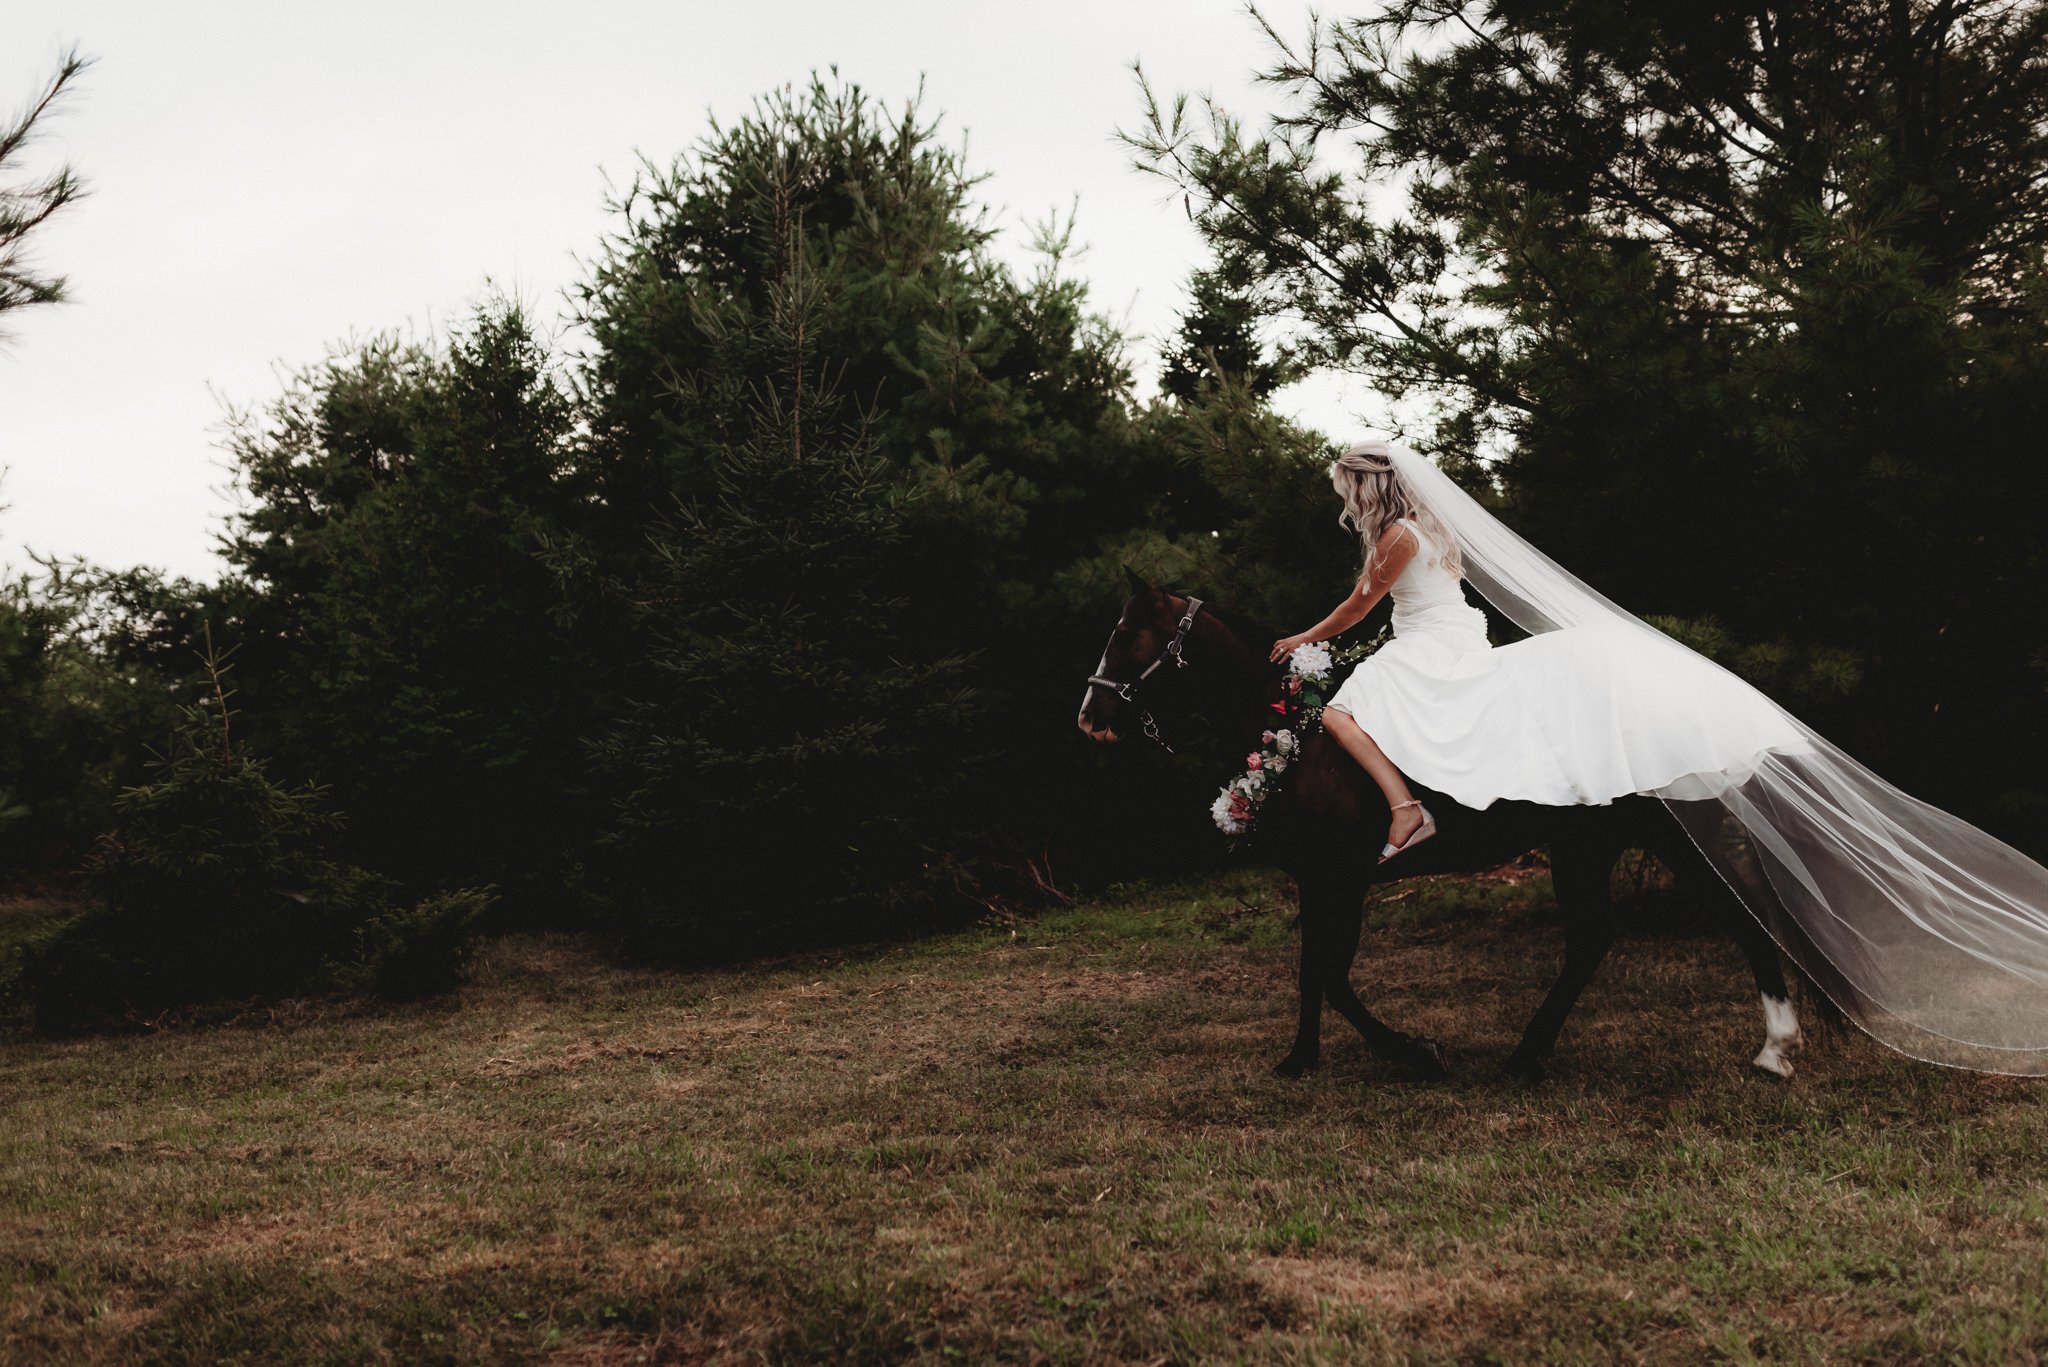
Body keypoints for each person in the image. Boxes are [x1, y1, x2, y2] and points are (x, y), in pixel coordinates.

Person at [1269, 441, 1809, 862]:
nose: (1347, 501)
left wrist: (1302, 638)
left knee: (1340, 713)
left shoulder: (1398, 536)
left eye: (1348, 489)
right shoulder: (1426, 527)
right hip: (1449, 633)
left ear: (1369, 486)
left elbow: (1356, 608)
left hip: (1431, 640)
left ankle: (1407, 809)